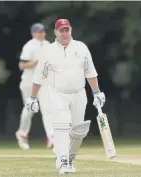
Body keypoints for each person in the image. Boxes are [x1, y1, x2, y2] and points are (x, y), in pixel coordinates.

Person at [25, 19, 105, 174]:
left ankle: (69, 159)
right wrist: (32, 97)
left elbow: (90, 72)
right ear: (55, 32)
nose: (64, 33)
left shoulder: (81, 48)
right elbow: (39, 76)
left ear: (71, 31)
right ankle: (62, 160)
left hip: (79, 94)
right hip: (57, 94)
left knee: (78, 131)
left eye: (66, 30)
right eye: (61, 30)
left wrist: (97, 93)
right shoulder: (48, 51)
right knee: (61, 127)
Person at [15, 23, 54, 149]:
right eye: (38, 32)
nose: (41, 34)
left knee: (47, 108)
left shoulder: (48, 45)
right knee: (30, 108)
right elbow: (22, 65)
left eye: (42, 31)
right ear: (33, 33)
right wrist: (38, 62)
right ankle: (22, 133)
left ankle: (52, 137)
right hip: (29, 83)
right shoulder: (29, 46)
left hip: (43, 83)